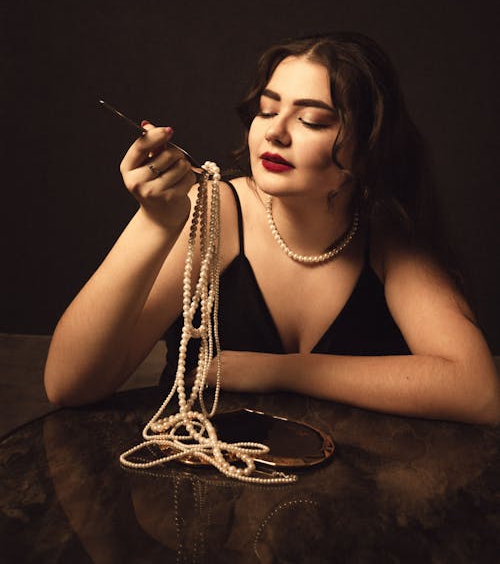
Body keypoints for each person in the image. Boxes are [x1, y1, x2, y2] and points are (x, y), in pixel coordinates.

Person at [44, 32, 500, 424]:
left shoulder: (384, 234)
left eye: (312, 120)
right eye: (266, 110)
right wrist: (154, 222)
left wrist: (283, 371)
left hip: (346, 506)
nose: (275, 132)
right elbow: (68, 385)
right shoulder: (212, 211)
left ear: (367, 148)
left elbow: (478, 393)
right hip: (200, 488)